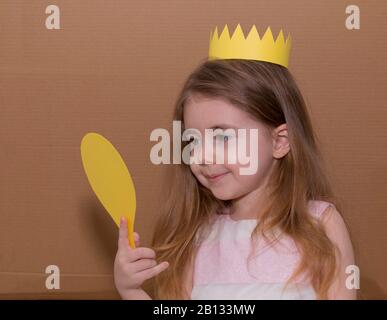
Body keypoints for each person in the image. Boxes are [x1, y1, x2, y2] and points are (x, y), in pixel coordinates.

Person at [113, 24, 356, 300]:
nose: (202, 156)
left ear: (279, 141)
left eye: (223, 137)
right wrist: (130, 289)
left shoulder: (321, 225)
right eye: (193, 140)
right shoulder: (197, 238)